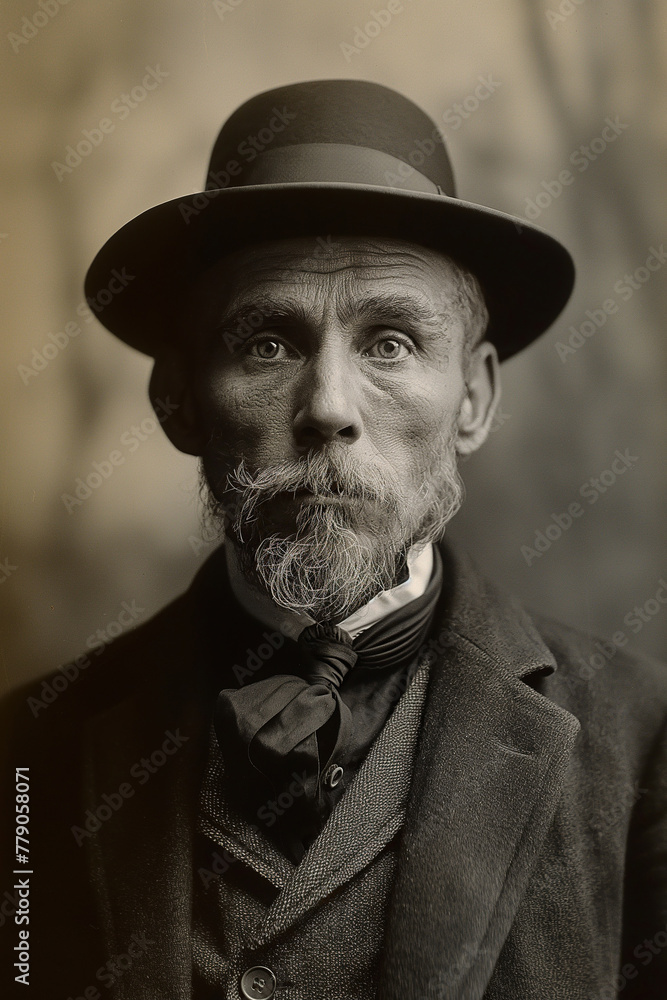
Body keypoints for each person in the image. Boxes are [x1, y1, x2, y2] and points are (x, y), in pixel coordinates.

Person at [2, 79, 666, 1000]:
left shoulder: (640, 738)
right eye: (267, 344)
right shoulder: (28, 751)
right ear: (179, 400)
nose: (327, 408)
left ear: (473, 399)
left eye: (390, 342)